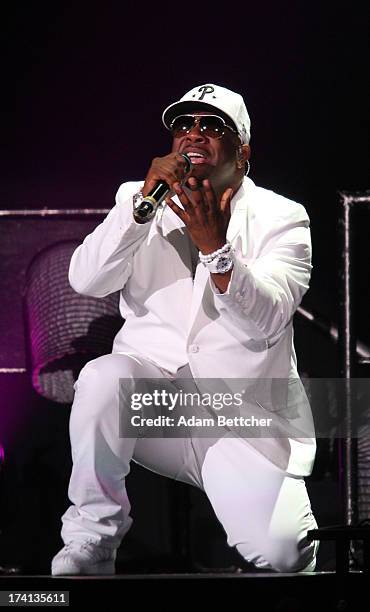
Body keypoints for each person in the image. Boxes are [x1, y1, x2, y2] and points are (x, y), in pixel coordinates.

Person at [51, 83, 319, 575]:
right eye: (184, 125)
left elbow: (270, 316)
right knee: (104, 377)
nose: (194, 135)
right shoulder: (138, 199)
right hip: (158, 411)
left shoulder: (283, 218)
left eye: (212, 126)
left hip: (239, 420)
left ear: (243, 152)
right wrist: (138, 212)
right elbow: (85, 280)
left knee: (285, 557)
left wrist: (216, 250)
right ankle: (92, 540)